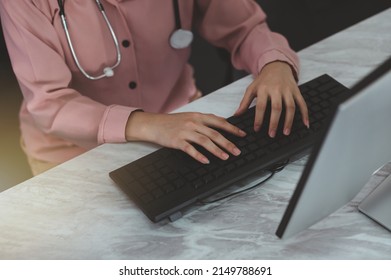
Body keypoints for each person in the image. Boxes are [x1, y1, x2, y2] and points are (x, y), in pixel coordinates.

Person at [0, 0, 308, 176]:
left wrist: (274, 65)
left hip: (181, 123)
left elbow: (245, 26)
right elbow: (49, 103)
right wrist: (147, 124)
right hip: (72, 152)